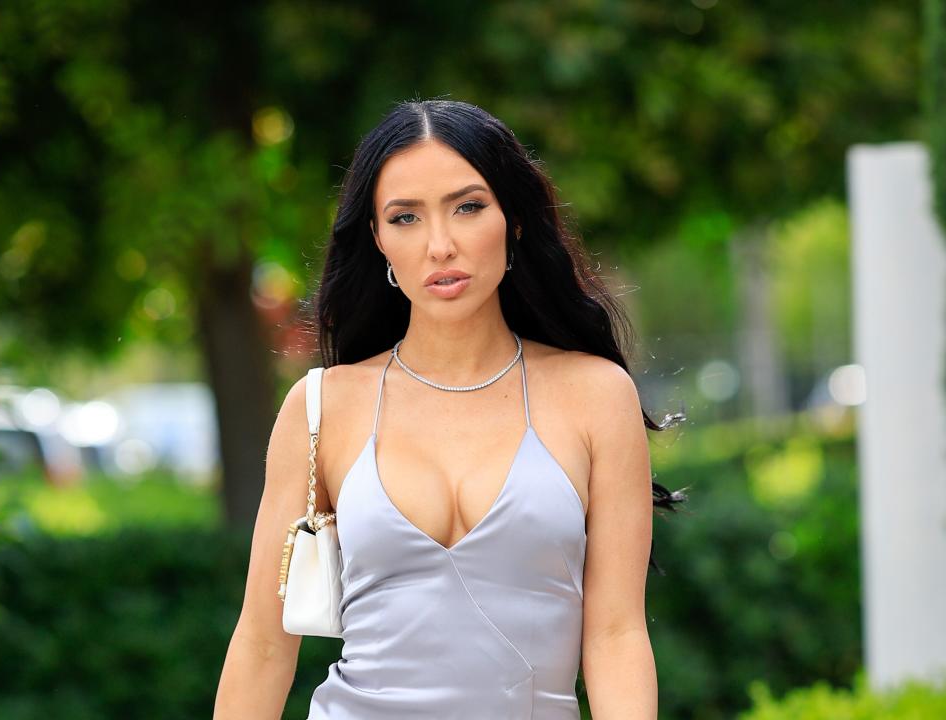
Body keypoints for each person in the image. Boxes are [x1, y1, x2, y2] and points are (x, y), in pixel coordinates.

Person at [214, 98, 687, 719]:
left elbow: (616, 637)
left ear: (513, 218)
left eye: (467, 207)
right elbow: (262, 644)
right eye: (405, 217)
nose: (440, 245)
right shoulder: (322, 406)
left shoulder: (596, 396)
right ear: (378, 238)